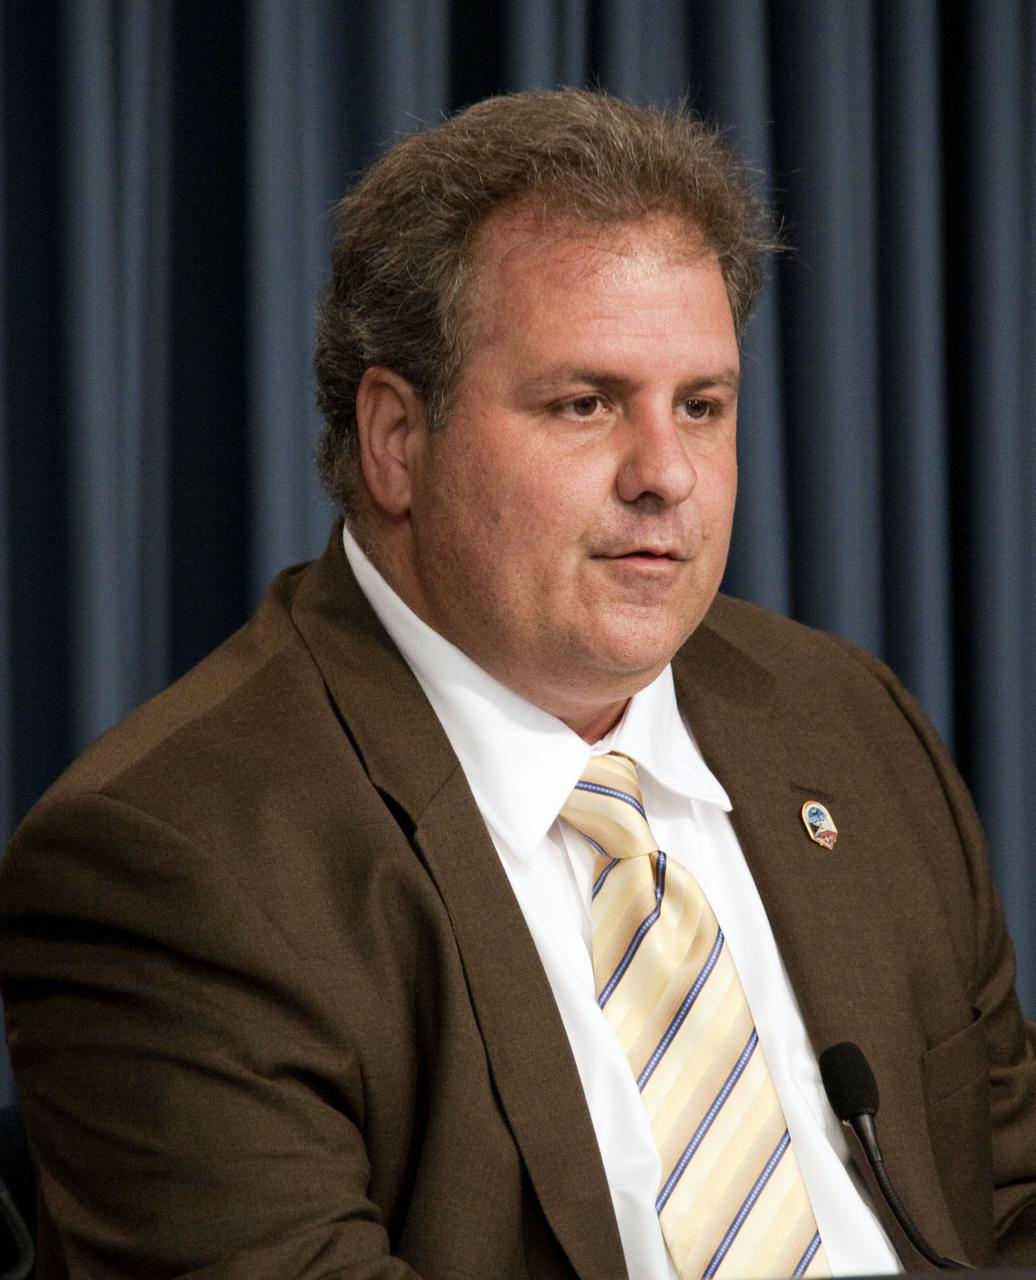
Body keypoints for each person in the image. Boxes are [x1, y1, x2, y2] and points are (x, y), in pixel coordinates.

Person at [1, 88, 1034, 1280]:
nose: (666, 474)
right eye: (584, 404)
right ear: (397, 439)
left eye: (702, 406)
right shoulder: (175, 861)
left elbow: (1006, 1196)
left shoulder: (844, 718)